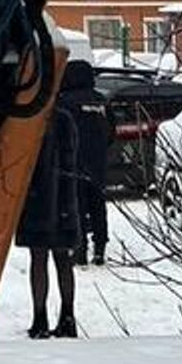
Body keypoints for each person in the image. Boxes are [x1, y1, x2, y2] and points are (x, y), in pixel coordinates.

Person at [17, 56, 86, 338]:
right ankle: (67, 317)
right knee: (62, 259)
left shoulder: (29, 121)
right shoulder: (65, 119)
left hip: (36, 199)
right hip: (64, 199)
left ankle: (39, 319)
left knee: (39, 259)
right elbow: (74, 159)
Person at [67, 55, 113, 267]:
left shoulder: (64, 102)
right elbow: (111, 132)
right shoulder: (101, 100)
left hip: (72, 162)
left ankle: (79, 248)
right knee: (98, 206)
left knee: (76, 205)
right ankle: (100, 249)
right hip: (98, 162)